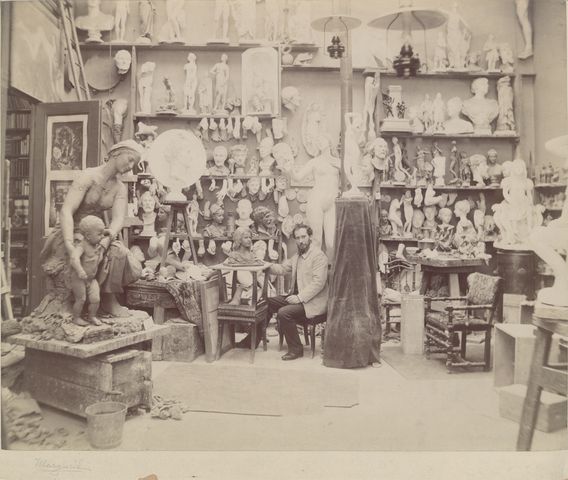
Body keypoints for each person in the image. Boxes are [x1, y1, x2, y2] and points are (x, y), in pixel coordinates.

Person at [40, 140, 144, 318]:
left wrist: (107, 238)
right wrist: (70, 243)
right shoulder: (88, 176)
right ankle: (68, 304)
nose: (131, 166)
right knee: (82, 254)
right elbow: (66, 211)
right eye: (130, 159)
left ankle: (108, 300)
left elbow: (118, 219)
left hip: (96, 233)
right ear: (116, 154)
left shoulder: (119, 188)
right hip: (71, 230)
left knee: (119, 252)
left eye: (134, 163)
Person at [236, 224, 328, 360]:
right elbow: (282, 269)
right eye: (297, 238)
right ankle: (252, 341)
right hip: (298, 299)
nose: (301, 240)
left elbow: (318, 283)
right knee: (267, 302)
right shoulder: (297, 256)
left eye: (303, 237)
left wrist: (299, 297)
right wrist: (263, 263)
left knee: (284, 313)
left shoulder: (318, 256)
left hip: (313, 302)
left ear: (310, 237)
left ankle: (296, 349)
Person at [69, 216, 106, 326]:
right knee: (81, 299)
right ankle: (76, 318)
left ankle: (92, 316)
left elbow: (104, 234)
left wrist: (106, 232)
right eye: (99, 234)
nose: (102, 236)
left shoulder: (96, 244)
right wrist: (80, 270)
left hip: (91, 278)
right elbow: (74, 258)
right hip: (79, 278)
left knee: (96, 299)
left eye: (102, 233)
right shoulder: (82, 246)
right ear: (88, 236)